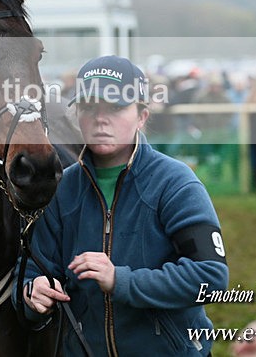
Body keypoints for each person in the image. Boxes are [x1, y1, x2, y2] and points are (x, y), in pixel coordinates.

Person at [14, 55, 229, 356]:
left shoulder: (176, 183)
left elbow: (211, 277)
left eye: (115, 107)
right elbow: (30, 272)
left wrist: (120, 280)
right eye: (89, 107)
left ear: (142, 116)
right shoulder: (61, 189)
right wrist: (31, 292)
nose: (100, 119)